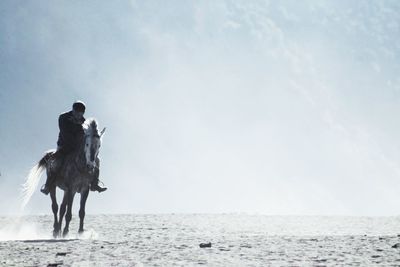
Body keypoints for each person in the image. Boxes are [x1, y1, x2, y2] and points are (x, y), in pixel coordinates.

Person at [40, 101, 107, 194]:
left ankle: (95, 183)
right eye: (76, 112)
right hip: (64, 146)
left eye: (81, 113)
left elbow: (85, 136)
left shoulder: (84, 122)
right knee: (56, 162)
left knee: (96, 161)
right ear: (73, 110)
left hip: (77, 148)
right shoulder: (63, 117)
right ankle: (48, 185)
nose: (78, 115)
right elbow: (65, 133)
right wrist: (75, 144)